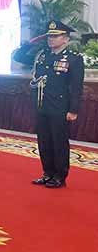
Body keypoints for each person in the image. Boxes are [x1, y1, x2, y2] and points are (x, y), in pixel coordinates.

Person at [30, 20, 84, 189]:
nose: (51, 39)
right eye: (49, 36)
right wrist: (31, 42)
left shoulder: (73, 59)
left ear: (66, 39)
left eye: (55, 36)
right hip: (42, 104)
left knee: (59, 142)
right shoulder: (43, 56)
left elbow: (76, 87)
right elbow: (20, 56)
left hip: (60, 107)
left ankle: (60, 175)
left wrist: (73, 109)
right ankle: (47, 172)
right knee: (44, 141)